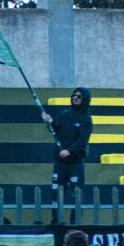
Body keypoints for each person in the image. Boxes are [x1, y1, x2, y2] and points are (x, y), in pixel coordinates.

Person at [41, 87, 93, 222]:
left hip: (75, 163)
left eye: (79, 96)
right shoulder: (65, 113)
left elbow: (83, 140)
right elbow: (56, 131)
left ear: (85, 99)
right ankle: (56, 221)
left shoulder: (86, 119)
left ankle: (74, 224)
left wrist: (70, 150)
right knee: (56, 192)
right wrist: (50, 122)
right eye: (74, 95)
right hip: (60, 162)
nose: (75, 98)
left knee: (77, 194)